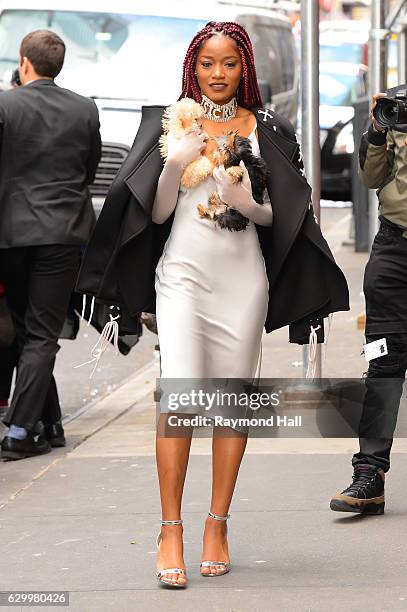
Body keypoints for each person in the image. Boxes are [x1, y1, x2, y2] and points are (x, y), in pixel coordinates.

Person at [76, 21, 349, 587]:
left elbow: (287, 217)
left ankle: (217, 524)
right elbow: (152, 215)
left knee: (232, 401)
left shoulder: (270, 129)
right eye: (207, 64)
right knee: (178, 397)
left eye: (228, 64)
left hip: (243, 281)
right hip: (182, 276)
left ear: (244, 68)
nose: (218, 74)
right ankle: (169, 528)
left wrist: (248, 203)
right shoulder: (165, 123)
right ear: (192, 68)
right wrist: (175, 163)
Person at [0, 30, 101, 460]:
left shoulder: (5, 104)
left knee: (28, 330)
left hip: (9, 234)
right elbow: (89, 168)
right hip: (62, 233)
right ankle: (42, 423)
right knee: (40, 333)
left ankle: (22, 431)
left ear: (24, 63)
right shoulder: (84, 108)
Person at [330, 86, 407, 515]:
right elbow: (371, 177)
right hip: (395, 249)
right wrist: (377, 128)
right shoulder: (397, 108)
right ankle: (369, 476)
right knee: (384, 362)